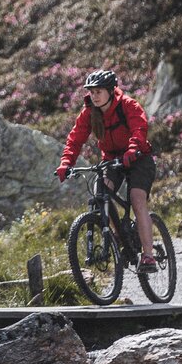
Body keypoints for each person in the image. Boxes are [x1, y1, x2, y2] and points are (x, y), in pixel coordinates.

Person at [55, 69, 158, 273]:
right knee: (100, 193)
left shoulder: (128, 105)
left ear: (111, 91)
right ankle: (118, 234)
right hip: (111, 160)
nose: (94, 96)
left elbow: (139, 128)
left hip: (138, 158)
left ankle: (148, 256)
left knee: (137, 199)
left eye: (98, 92)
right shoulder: (89, 113)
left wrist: (132, 149)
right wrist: (66, 163)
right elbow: (75, 139)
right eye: (91, 92)